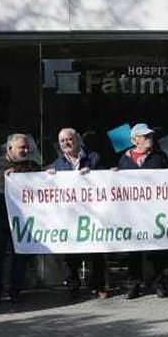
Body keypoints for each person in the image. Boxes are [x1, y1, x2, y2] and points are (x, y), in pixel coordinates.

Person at [0, 133, 42, 304]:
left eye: (27, 147)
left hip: (22, 220)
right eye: (22, 148)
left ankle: (16, 291)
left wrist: (49, 174)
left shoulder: (32, 166)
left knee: (20, 256)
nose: (26, 150)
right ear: (10, 148)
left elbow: (45, 184)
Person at [49, 128, 108, 299]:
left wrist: (93, 175)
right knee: (70, 252)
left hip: (93, 212)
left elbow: (106, 179)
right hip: (69, 215)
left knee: (96, 250)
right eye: (62, 141)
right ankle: (73, 286)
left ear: (77, 140)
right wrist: (48, 176)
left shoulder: (94, 157)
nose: (66, 143)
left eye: (69, 139)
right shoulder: (57, 164)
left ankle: (98, 285)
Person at [117, 123, 168, 298]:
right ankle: (133, 285)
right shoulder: (124, 159)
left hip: (154, 211)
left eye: (150, 135)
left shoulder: (160, 156)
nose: (150, 138)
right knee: (133, 249)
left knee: (156, 248)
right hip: (132, 212)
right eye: (145, 136)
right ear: (135, 140)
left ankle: (158, 283)